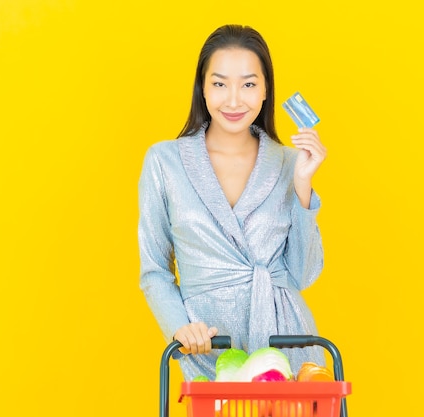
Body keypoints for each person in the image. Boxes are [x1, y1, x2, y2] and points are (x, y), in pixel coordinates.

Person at [138, 24, 328, 381]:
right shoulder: (164, 162)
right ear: (203, 88)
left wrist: (303, 184)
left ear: (266, 90)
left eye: (249, 84)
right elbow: (154, 270)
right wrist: (180, 327)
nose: (234, 100)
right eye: (220, 83)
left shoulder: (289, 163)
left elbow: (303, 275)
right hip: (210, 346)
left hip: (286, 345)